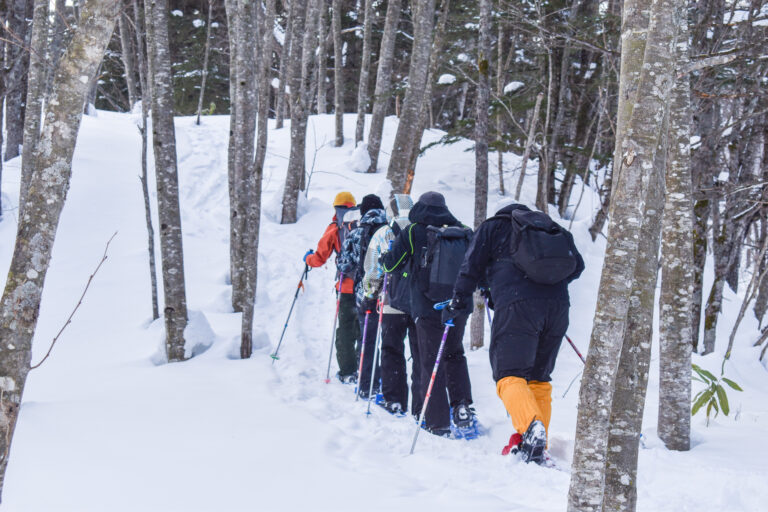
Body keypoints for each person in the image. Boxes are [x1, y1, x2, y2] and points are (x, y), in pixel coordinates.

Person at [444, 202, 584, 463]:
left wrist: (458, 300)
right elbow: (577, 266)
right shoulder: (552, 229)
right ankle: (536, 442)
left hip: (517, 305)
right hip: (558, 308)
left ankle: (531, 429)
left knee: (509, 374)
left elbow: (470, 266)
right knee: (539, 378)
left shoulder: (493, 227)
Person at [381, 191, 474, 437]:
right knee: (455, 354)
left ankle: (437, 421)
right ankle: (462, 406)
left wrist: (384, 258)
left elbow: (391, 264)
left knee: (430, 361)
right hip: (459, 305)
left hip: (428, 307)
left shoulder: (413, 231)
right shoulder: (464, 230)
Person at [360, 194, 419, 415]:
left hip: (391, 301)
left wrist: (370, 294)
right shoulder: (421, 231)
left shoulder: (383, 233)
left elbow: (373, 268)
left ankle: (394, 399)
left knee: (391, 349)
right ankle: (421, 404)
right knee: (419, 352)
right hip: (418, 302)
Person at [304, 191, 360, 383]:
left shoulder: (335, 228)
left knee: (345, 330)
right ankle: (365, 370)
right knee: (364, 330)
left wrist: (307, 258)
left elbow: (319, 258)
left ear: (336, 208)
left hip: (345, 287)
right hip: (368, 289)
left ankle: (347, 371)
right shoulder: (364, 227)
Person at [338, 194, 388, 397]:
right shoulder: (390, 232)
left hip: (365, 293)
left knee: (367, 338)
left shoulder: (356, 234)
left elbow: (345, 264)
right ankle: (389, 380)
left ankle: (368, 382)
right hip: (391, 296)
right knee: (389, 341)